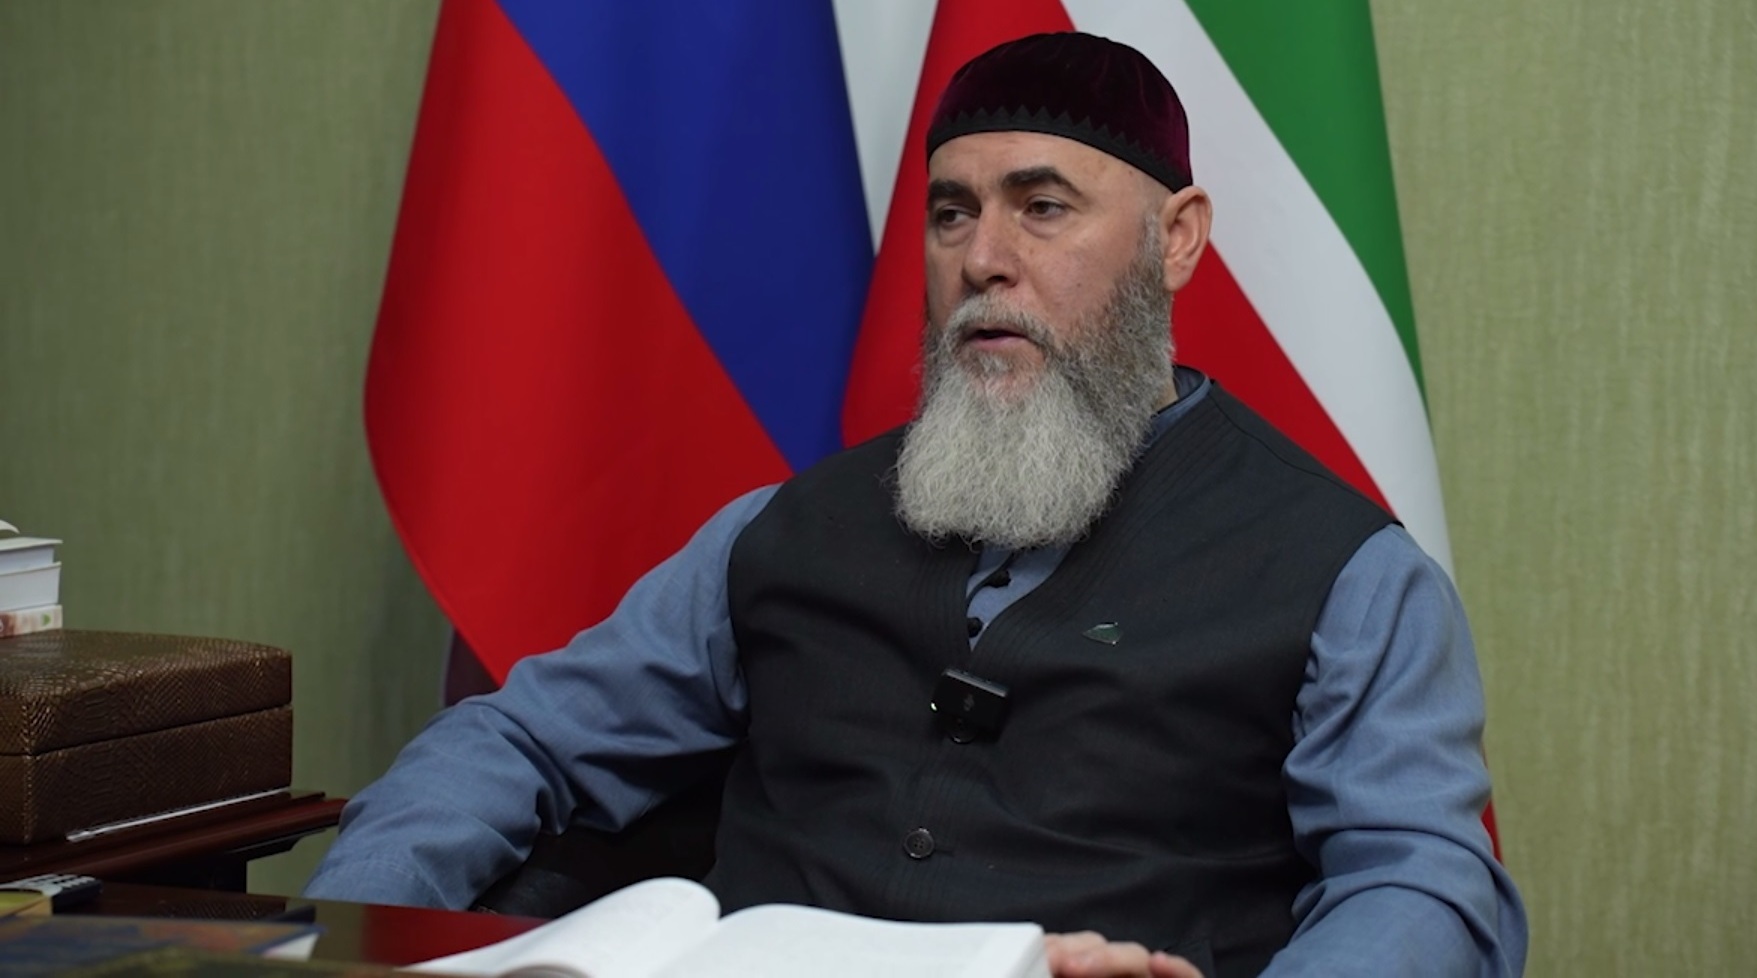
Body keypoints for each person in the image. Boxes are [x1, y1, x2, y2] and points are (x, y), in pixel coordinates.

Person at [308, 32, 1527, 978]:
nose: (982, 258)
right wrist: (345, 936)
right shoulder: (778, 533)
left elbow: (1420, 888)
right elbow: (517, 742)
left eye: (1043, 207)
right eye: (952, 212)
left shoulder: (1347, 576)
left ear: (1177, 239)